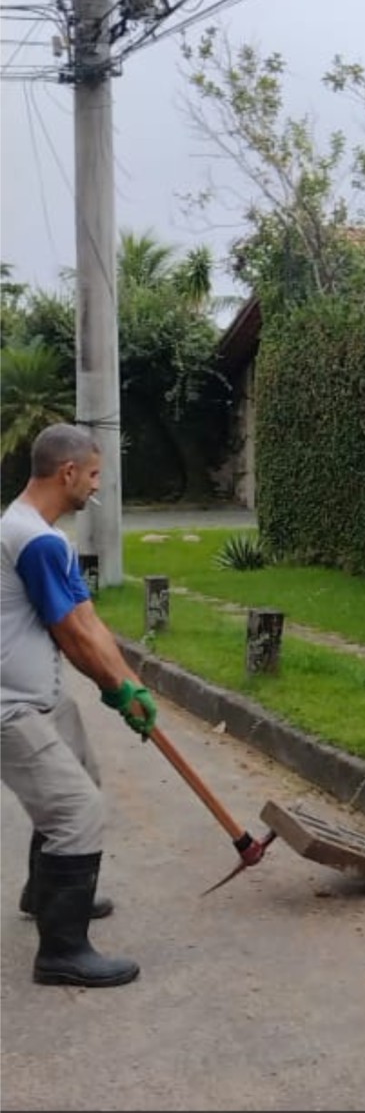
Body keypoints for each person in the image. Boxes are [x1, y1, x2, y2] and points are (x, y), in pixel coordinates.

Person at [1, 423, 159, 988]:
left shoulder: (40, 534)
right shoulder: (34, 540)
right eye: (93, 475)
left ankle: (44, 891)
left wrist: (131, 685)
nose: (96, 486)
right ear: (67, 473)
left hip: (38, 696)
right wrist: (114, 689)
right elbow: (71, 633)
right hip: (9, 706)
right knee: (77, 811)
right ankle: (62, 952)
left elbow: (88, 619)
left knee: (80, 777)